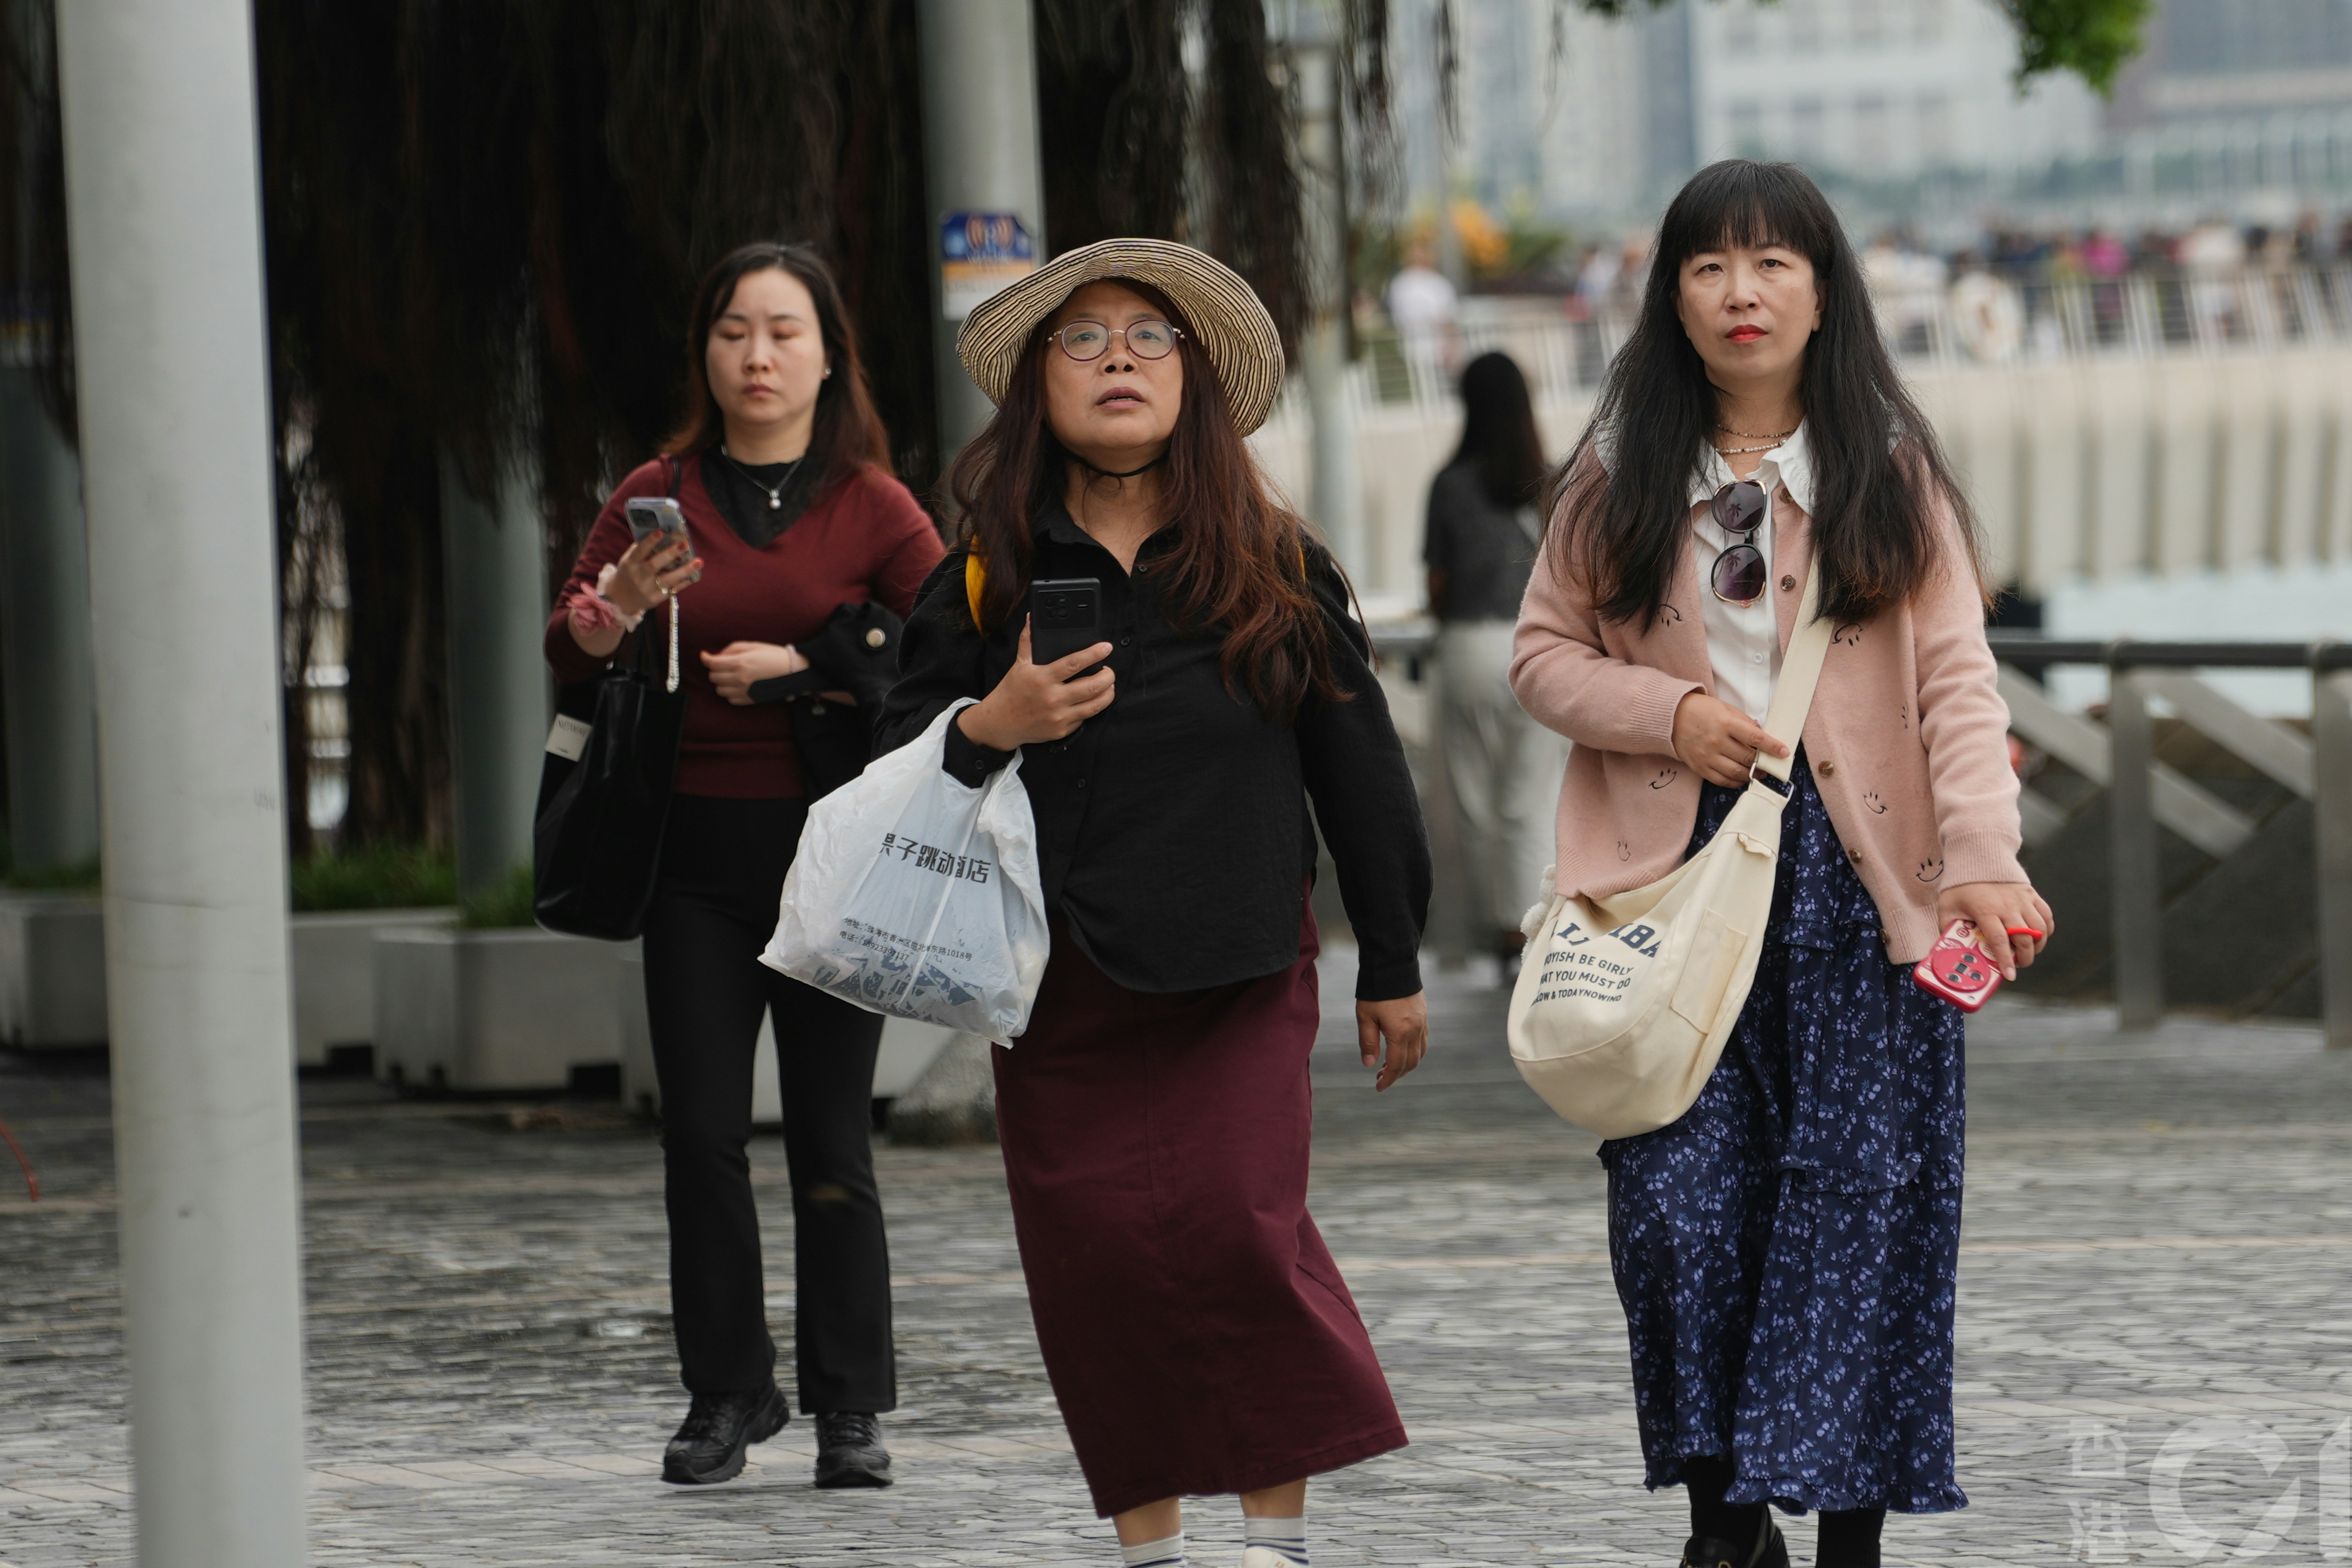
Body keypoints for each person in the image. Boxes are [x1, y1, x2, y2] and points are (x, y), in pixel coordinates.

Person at [1512, 160, 2053, 1568]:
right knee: (1679, 1212)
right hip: (1675, 880)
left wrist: (1984, 862)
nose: (1740, 292)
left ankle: (1850, 1542)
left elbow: (1957, 685)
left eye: (1772, 264)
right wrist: (1667, 712)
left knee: (1857, 1215)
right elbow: (1540, 657)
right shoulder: (1617, 479)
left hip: (1863, 894)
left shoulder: (1890, 474)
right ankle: (1726, 1523)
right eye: (1708, 266)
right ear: (1672, 298)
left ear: (1824, 294)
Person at [878, 239, 1432, 1568]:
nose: (1119, 357)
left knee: (1243, 1237)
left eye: (1149, 336)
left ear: (1194, 382)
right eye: (1084, 338)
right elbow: (889, 769)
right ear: (1038, 386)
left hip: (1240, 958)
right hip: (1053, 982)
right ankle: (1154, 1546)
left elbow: (1361, 772)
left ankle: (1276, 1538)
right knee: (1102, 1264)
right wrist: (987, 721)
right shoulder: (981, 571)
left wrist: (1395, 961)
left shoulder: (1276, 561)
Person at [545, 241, 943, 1490]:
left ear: (829, 354)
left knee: (833, 1137)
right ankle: (728, 1390)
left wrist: (810, 661)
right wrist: (613, 595)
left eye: (782, 330)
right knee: (701, 1134)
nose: (757, 354)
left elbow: (946, 652)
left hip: (832, 868)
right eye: (733, 330)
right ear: (706, 353)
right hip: (692, 867)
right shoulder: (660, 487)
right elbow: (572, 648)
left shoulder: (874, 503)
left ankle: (849, 1406)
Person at [1422, 351, 1563, 974]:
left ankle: (1498, 933)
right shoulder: (1552, 482)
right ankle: (1533, 928)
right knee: (1532, 799)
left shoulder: (1450, 484)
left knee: (1476, 803)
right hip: (1540, 650)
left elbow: (1437, 584)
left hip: (1469, 649)